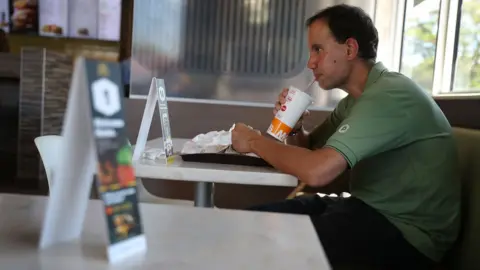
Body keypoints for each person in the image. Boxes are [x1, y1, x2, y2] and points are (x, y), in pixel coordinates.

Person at [231, 4, 460, 269]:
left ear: (350, 49)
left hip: (408, 238)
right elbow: (312, 151)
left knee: (262, 241)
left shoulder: (390, 96)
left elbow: (317, 172)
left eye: (318, 49)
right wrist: (293, 128)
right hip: (364, 211)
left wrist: (254, 141)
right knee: (245, 224)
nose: (310, 62)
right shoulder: (355, 101)